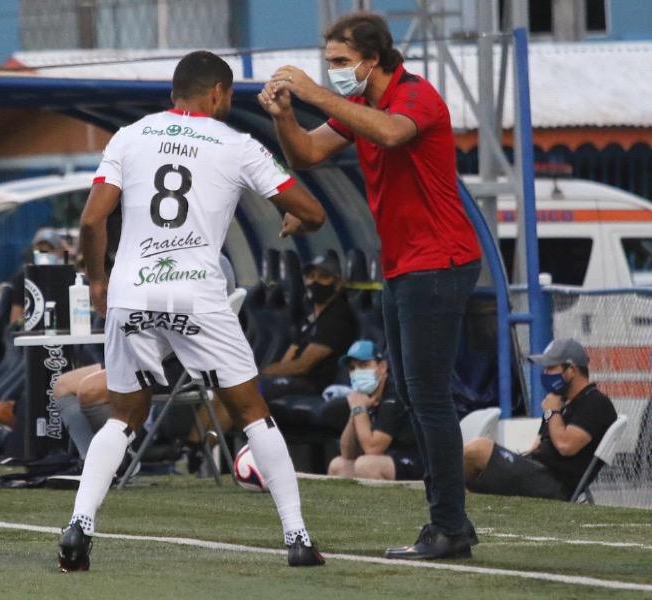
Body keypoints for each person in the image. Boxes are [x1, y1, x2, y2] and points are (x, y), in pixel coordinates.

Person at [57, 50, 328, 572]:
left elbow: (93, 222)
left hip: (132, 289)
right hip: (196, 292)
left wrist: (96, 281)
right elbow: (312, 211)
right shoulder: (239, 144)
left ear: (174, 94)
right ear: (219, 94)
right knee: (251, 411)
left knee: (124, 416)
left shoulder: (129, 136)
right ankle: (297, 536)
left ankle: (80, 524)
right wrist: (299, 224)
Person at [258, 12, 481, 560]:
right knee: (411, 395)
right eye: (328, 63)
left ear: (373, 60)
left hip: (441, 260)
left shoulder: (415, 98)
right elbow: (306, 153)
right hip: (406, 265)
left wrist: (312, 92)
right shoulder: (362, 108)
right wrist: (287, 115)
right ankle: (450, 524)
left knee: (427, 398)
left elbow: (390, 132)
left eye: (339, 62)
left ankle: (449, 525)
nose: (332, 72)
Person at [463, 339, 616, 502]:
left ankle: (445, 496)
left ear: (571, 370)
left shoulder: (596, 402)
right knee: (472, 462)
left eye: (550, 368)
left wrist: (552, 411)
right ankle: (451, 501)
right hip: (534, 471)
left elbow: (566, 446)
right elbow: (538, 444)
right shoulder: (560, 401)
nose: (545, 374)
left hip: (554, 483)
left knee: (479, 449)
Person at [260, 253, 357, 400]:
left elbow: (303, 366)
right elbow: (290, 355)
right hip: (293, 380)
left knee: (250, 391)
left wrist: (264, 373)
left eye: (323, 277)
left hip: (313, 385)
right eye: (310, 276)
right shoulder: (310, 317)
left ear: (337, 283)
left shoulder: (337, 316)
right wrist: (268, 374)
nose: (314, 282)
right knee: (239, 389)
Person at [327, 340, 422, 481]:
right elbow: (347, 452)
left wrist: (359, 409)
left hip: (415, 460)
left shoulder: (395, 394)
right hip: (387, 460)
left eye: (364, 365)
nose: (357, 373)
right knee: (338, 466)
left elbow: (373, 448)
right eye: (352, 368)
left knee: (366, 466)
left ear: (382, 367)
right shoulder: (364, 396)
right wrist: (355, 411)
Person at [9, 228, 68, 325]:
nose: (44, 254)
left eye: (49, 250)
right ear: (33, 250)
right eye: (40, 250)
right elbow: (15, 318)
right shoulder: (24, 276)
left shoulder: (66, 276)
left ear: (60, 251)